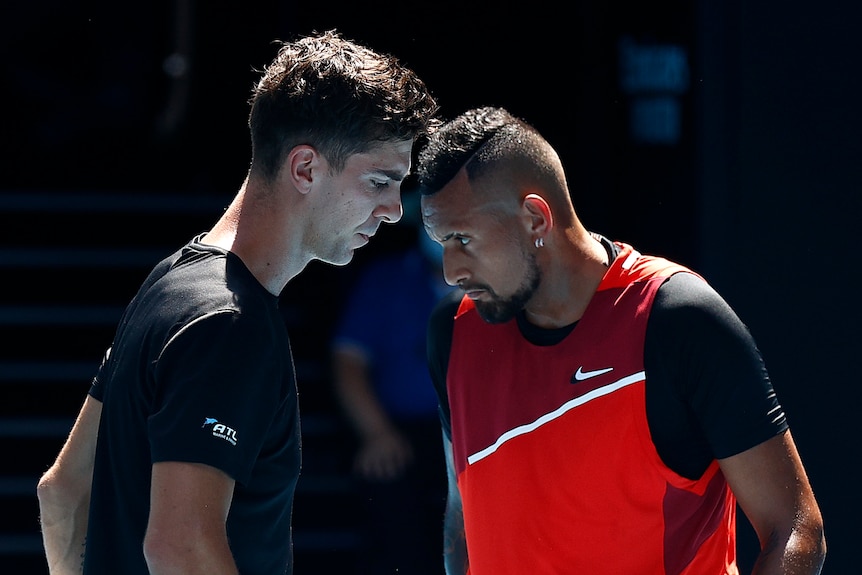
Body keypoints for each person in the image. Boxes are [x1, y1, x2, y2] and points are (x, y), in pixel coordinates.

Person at [35, 30, 439, 575]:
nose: (394, 209)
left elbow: (63, 494)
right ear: (305, 169)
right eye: (379, 181)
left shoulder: (170, 280)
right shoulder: (230, 326)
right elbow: (180, 547)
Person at [412, 106, 826, 574]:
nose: (450, 271)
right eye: (440, 242)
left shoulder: (678, 317)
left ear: (534, 218)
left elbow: (794, 528)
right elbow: (460, 520)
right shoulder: (452, 332)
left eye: (462, 239)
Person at [330, 191, 451, 574]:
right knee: (387, 487)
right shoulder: (386, 279)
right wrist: (376, 433)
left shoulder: (498, 282)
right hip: (402, 431)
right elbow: (348, 360)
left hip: (477, 435)